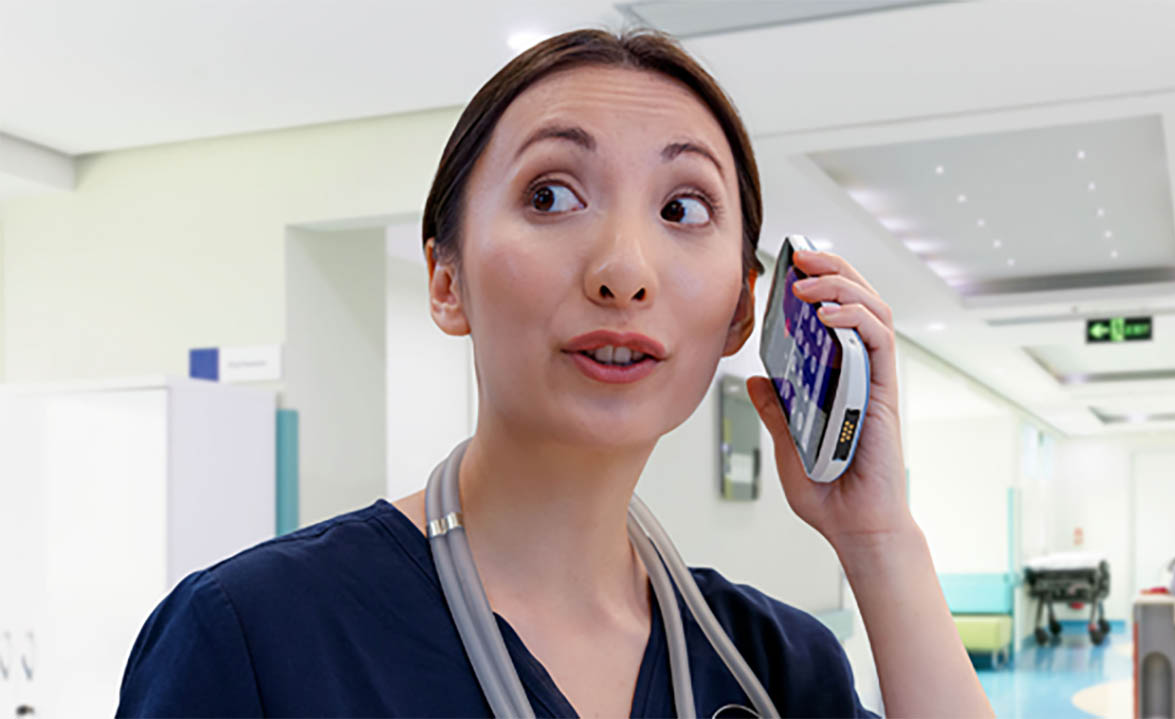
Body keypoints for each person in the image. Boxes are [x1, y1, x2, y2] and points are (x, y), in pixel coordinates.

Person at [116, 28, 992, 718]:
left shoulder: (776, 670)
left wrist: (880, 543)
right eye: (551, 195)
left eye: (683, 208)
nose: (624, 268)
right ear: (446, 280)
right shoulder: (256, 637)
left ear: (738, 312)